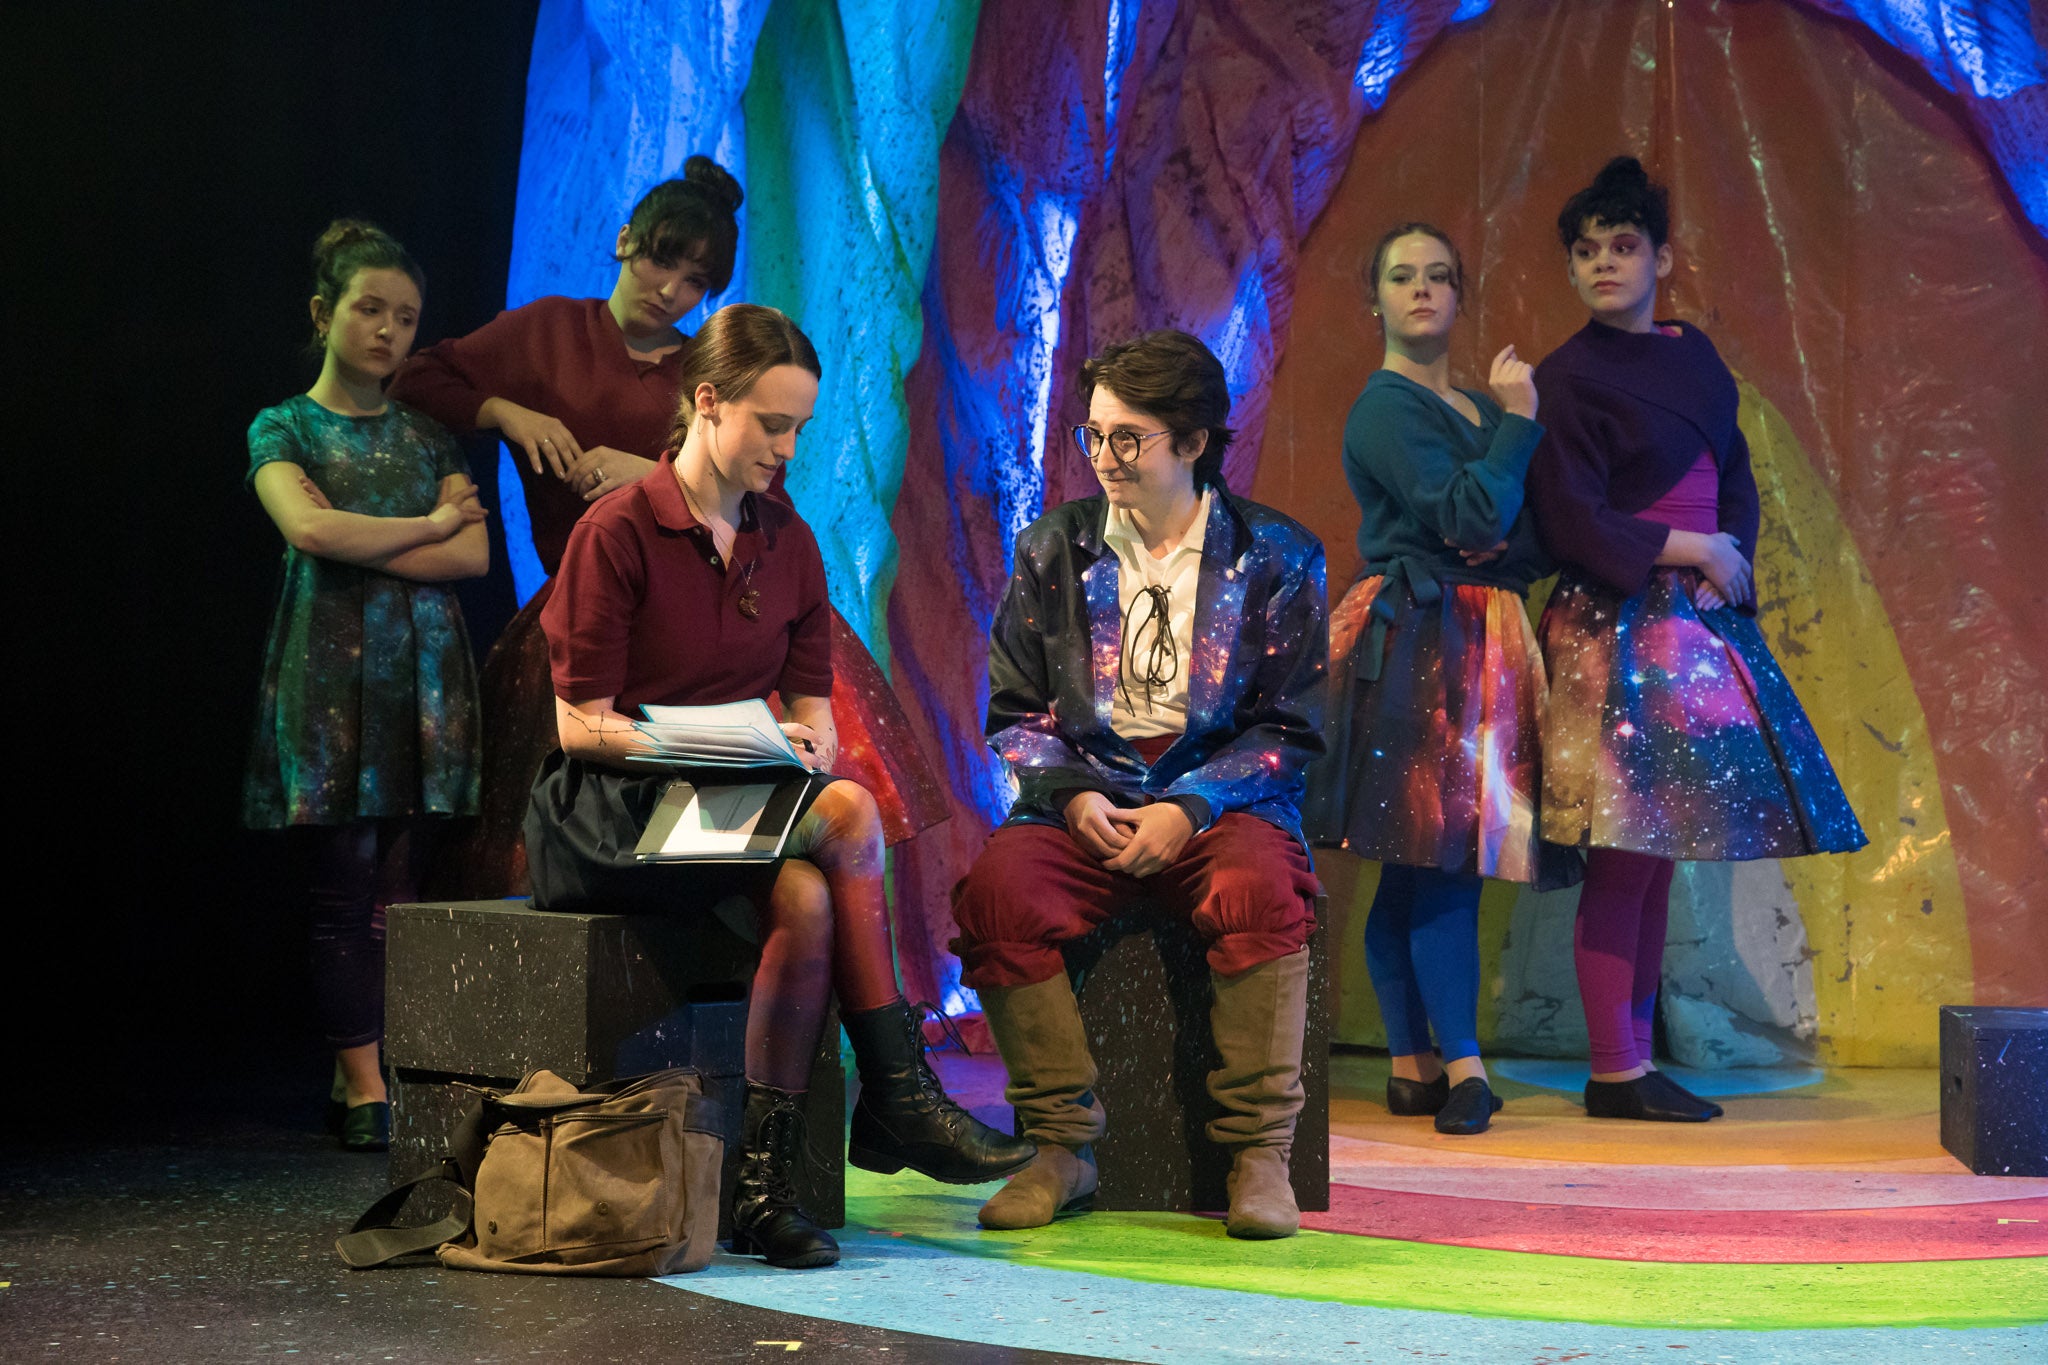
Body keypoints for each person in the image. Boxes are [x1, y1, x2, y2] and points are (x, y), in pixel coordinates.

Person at [524, 303, 1033, 1269]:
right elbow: (579, 725)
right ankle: (899, 1091)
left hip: (723, 804)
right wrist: (709, 741)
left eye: (800, 425)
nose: (788, 446)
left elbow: (814, 711)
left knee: (805, 891)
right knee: (846, 811)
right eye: (772, 422)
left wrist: (800, 742)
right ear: (708, 401)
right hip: (616, 808)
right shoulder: (618, 529)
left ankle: (761, 1191)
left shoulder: (786, 541)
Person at [389, 157, 944, 894]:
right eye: (661, 261)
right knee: (555, 826)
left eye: (694, 281)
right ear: (626, 241)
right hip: (601, 614)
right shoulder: (549, 332)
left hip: (710, 604)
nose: (670, 290)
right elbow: (417, 378)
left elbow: (761, 491)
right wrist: (505, 412)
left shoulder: (708, 370)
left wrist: (652, 473)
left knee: (805, 871)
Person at [951, 330, 1328, 1239]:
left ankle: (1259, 1153)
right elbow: (1016, 708)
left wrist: (1190, 805)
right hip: (1086, 791)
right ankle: (1060, 1145)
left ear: (1193, 441)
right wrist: (1074, 794)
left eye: (1128, 437)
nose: (1105, 456)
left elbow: (1290, 726)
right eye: (1094, 435)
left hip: (1219, 797)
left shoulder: (1276, 554)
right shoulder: (1053, 548)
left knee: (1258, 887)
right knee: (999, 892)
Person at [1528, 157, 1867, 1122]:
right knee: (1623, 850)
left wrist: (1732, 563)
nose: (1603, 263)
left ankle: (1631, 1060)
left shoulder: (1696, 357)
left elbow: (1735, 471)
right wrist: (1694, 549)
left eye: (1623, 246)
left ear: (1662, 259)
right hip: (1614, 627)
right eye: (1585, 251)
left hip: (1691, 623)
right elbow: (1572, 519)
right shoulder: (1566, 377)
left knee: (1656, 856)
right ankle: (1615, 1070)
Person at [1303, 223, 1555, 1136]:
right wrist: (1519, 425)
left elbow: (1525, 537)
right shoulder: (1385, 410)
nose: (1421, 289)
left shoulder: (1480, 413)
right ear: (1374, 299)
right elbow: (1476, 512)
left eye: (1438, 275)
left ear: (1458, 296)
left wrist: (1491, 498)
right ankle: (1464, 1067)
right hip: (1421, 639)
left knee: (1420, 865)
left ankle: (1412, 1065)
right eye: (1401, 275)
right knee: (1438, 851)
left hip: (1481, 636)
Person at [244, 220, 489, 1151]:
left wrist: (394, 534)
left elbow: (473, 555)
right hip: (331, 673)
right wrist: (428, 525)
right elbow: (308, 532)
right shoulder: (284, 426)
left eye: (407, 317)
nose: (389, 330)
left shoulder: (427, 436)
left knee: (402, 891)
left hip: (425, 678)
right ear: (324, 312)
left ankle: (374, 1061)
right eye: (370, 310)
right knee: (344, 887)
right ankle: (362, 1086)